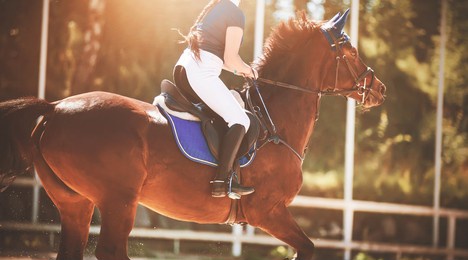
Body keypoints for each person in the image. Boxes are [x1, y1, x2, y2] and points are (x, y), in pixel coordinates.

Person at [174, 0, 257, 199]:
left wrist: (242, 71)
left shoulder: (215, 8)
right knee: (241, 120)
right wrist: (251, 70)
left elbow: (222, 59)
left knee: (228, 112)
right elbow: (231, 59)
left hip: (184, 68)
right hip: (201, 73)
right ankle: (222, 182)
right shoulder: (235, 13)